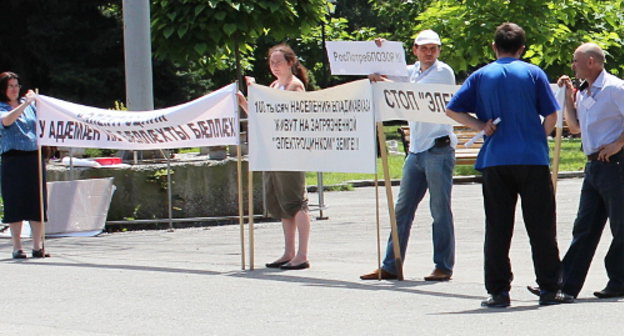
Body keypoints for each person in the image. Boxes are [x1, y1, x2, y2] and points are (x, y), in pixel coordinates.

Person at [445, 23, 571, 307]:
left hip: (495, 159)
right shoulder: (533, 73)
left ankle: (498, 291)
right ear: (522, 49)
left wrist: (479, 125)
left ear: (494, 47)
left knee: (498, 227)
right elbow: (551, 114)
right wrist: (539, 135)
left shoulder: (480, 75)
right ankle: (550, 287)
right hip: (531, 157)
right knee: (541, 226)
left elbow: (452, 109)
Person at [527, 43, 624, 299]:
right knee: (584, 227)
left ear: (591, 62)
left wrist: (618, 143)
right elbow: (575, 127)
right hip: (593, 165)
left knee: (621, 226)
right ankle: (564, 286)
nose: (572, 66)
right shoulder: (583, 91)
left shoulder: (615, 88)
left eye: (576, 61)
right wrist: (569, 99)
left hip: (616, 163)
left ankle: (619, 280)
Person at [360, 29, 456, 281]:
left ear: (439, 51)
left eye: (433, 48)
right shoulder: (410, 71)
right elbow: (385, 71)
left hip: (438, 148)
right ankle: (391, 264)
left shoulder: (443, 72)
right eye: (424, 48)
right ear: (414, 50)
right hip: (416, 150)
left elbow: (413, 93)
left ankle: (443, 266)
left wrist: (384, 82)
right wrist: (379, 50)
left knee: (439, 210)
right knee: (401, 209)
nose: (428, 52)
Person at [238, 44, 311, 270]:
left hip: (291, 149)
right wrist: (245, 101)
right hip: (274, 149)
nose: (275, 66)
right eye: (271, 62)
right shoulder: (273, 85)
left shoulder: (294, 86)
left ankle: (302, 254)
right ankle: (288, 251)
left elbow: (286, 112)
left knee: (296, 201)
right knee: (281, 202)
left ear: (291, 63)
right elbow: (263, 116)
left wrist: (259, 91)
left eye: (279, 62)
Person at [0, 71, 50, 259]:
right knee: (15, 201)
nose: (14, 90)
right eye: (10, 86)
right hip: (12, 158)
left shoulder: (30, 106)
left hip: (33, 157)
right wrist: (26, 103)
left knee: (37, 201)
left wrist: (35, 102)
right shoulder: (3, 107)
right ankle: (17, 246)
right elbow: (7, 120)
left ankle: (38, 245)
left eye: (16, 86)